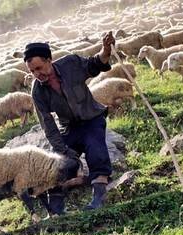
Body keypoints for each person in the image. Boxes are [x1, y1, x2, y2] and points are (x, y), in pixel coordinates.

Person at [23, 32, 116, 214]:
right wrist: (63, 150)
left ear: (49, 60)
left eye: (39, 68)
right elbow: (48, 125)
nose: (37, 74)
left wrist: (105, 50)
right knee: (56, 163)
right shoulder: (37, 91)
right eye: (32, 71)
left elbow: (95, 64)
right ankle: (57, 209)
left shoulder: (71, 64)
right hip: (69, 127)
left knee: (95, 149)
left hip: (91, 119)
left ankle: (99, 197)